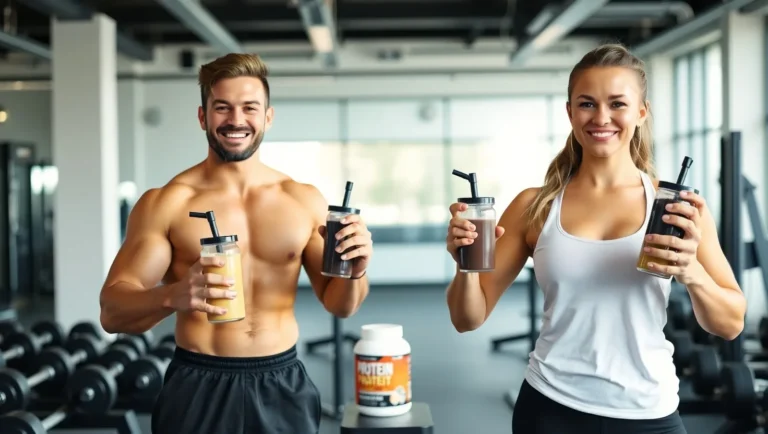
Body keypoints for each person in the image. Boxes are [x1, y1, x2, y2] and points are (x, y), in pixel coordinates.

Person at [445, 43, 745, 433]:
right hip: (550, 407)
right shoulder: (534, 205)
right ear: (570, 112)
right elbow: (467, 318)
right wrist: (465, 264)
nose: (601, 117)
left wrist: (693, 275)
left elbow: (731, 323)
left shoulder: (677, 209)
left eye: (617, 103)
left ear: (641, 112)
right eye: (587, 104)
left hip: (648, 412)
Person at [98, 53, 373, 434]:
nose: (236, 120)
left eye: (249, 108)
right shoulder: (167, 203)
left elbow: (341, 305)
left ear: (268, 117)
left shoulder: (303, 200)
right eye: (222, 108)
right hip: (198, 383)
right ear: (202, 117)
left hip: (282, 381)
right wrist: (174, 294)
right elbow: (112, 311)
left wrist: (356, 271)